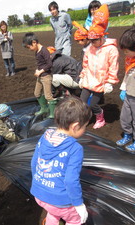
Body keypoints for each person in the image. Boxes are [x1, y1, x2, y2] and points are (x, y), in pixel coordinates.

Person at [30, 96, 92, 225]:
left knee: (53, 211)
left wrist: (40, 183)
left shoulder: (44, 137)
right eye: (85, 126)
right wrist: (79, 204)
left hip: (39, 194)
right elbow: (70, 180)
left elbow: (34, 163)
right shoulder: (75, 148)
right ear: (75, 126)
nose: (85, 130)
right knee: (75, 220)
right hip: (60, 201)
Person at [79, 4, 119, 129]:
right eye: (91, 41)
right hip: (88, 79)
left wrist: (109, 82)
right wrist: (82, 77)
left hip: (100, 82)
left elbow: (113, 66)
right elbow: (85, 64)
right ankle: (84, 119)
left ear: (102, 37)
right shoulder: (90, 48)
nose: (93, 43)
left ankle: (100, 117)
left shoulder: (111, 49)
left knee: (93, 104)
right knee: (82, 102)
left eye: (95, 40)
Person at [22, 32, 57, 119]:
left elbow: (49, 64)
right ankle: (44, 108)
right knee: (37, 93)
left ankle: (53, 113)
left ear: (34, 42)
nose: (29, 49)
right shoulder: (37, 51)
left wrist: (40, 71)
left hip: (46, 76)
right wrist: (38, 70)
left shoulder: (44, 51)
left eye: (29, 47)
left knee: (48, 95)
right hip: (40, 76)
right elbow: (41, 63)